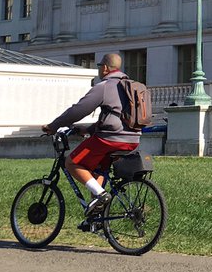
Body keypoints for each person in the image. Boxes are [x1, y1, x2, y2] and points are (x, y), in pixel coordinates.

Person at [41, 53, 140, 215]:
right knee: (99, 171)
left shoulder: (105, 86)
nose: (99, 69)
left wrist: (54, 125)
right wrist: (87, 130)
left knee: (72, 163)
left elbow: (78, 111)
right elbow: (116, 118)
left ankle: (101, 195)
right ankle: (97, 217)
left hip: (110, 140)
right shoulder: (131, 86)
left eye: (100, 66)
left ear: (106, 68)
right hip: (133, 139)